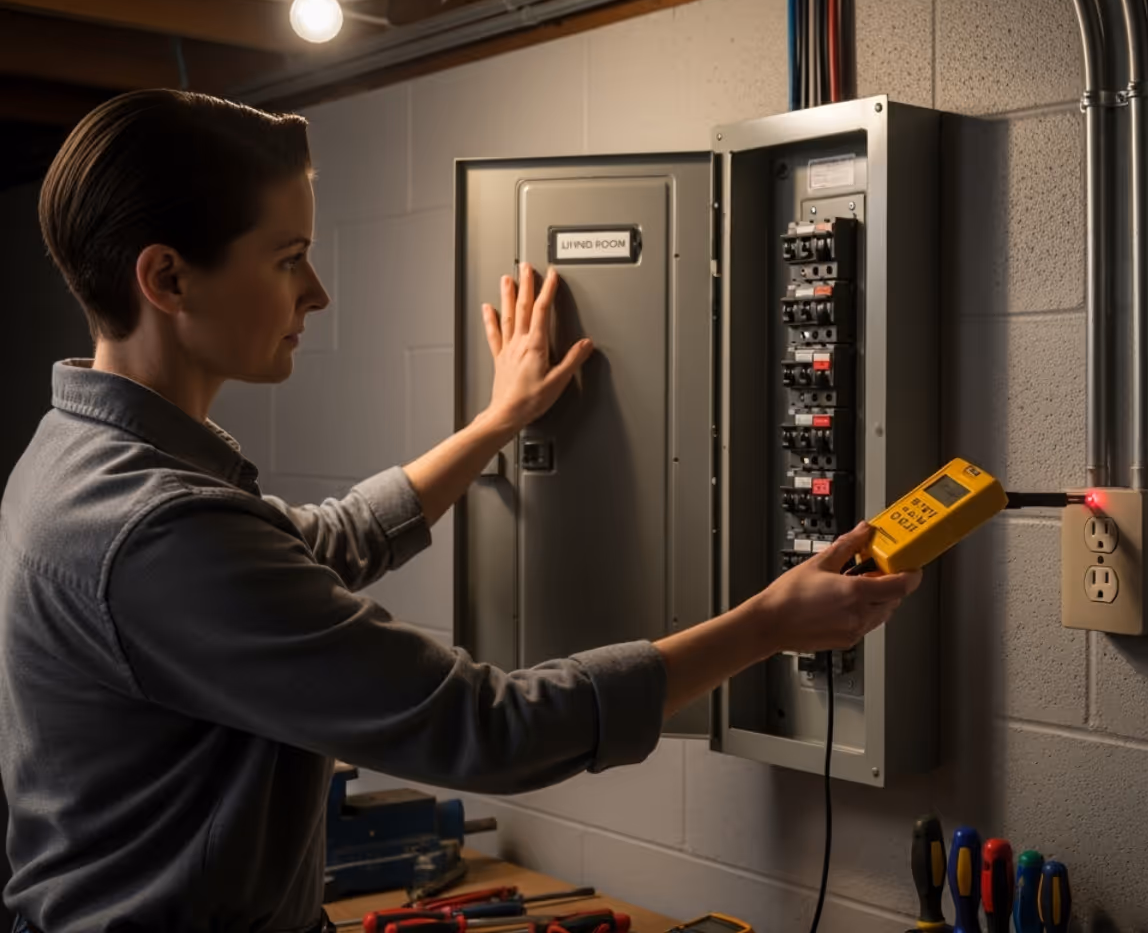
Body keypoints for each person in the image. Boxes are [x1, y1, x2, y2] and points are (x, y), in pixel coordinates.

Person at [0, 90, 921, 933]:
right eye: (288, 260)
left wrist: (497, 422)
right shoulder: (158, 530)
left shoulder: (76, 457)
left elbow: (322, 546)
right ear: (167, 279)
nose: (315, 292)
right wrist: (766, 624)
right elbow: (488, 727)